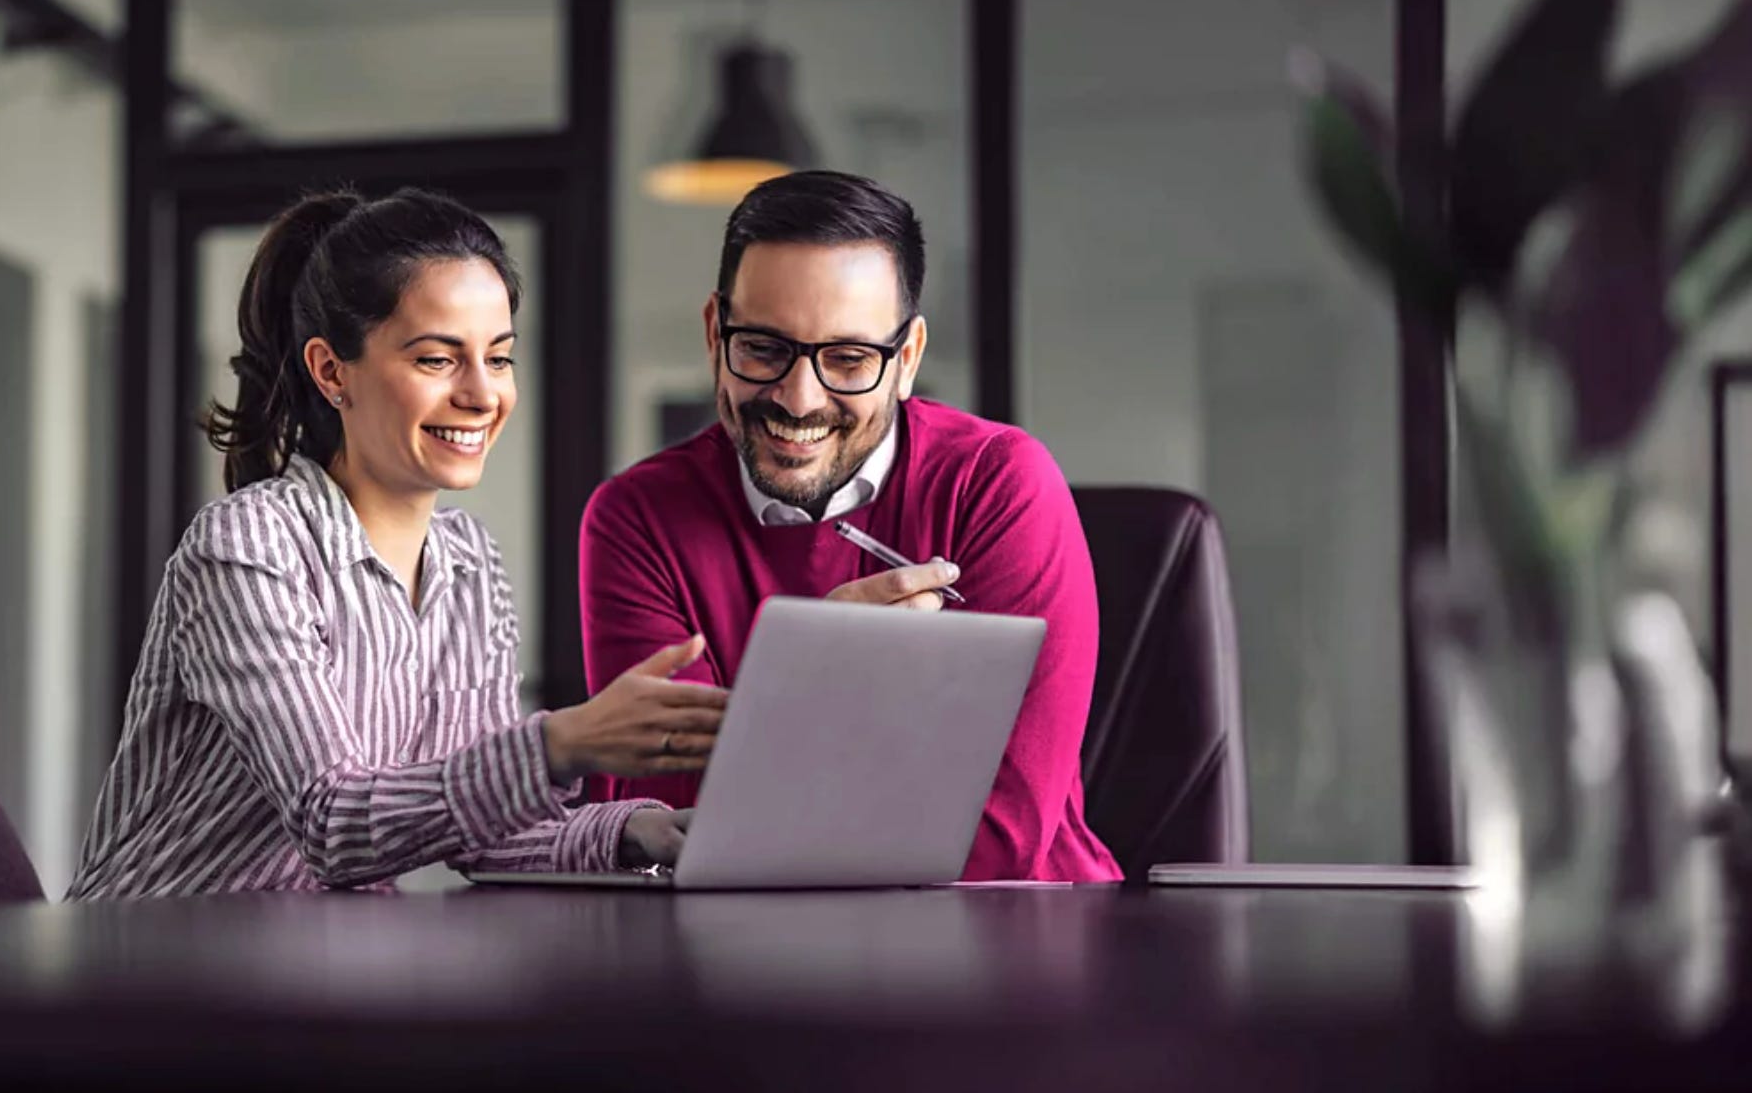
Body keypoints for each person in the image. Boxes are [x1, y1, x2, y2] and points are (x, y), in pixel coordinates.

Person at [70, 188, 724, 897]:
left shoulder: (469, 562)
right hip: (148, 966)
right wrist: (563, 742)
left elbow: (485, 829)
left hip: (311, 968)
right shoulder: (246, 545)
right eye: (438, 359)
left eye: (498, 358)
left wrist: (637, 831)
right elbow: (333, 822)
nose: (483, 394)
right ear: (331, 371)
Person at [578, 170, 1121, 882]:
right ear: (716, 333)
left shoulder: (1001, 485)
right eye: (764, 348)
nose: (799, 399)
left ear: (908, 360)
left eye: (848, 359)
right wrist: (816, 679)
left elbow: (1002, 832)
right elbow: (673, 824)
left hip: (1016, 941)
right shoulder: (636, 519)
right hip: (741, 957)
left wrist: (766, 750)